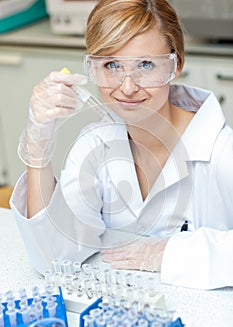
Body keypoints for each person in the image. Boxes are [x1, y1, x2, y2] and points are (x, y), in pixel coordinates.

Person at [10, 0, 233, 290]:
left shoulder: (221, 151)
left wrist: (168, 253)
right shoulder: (95, 145)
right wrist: (38, 149)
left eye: (145, 65)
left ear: (175, 66)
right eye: (112, 65)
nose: (127, 87)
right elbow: (54, 257)